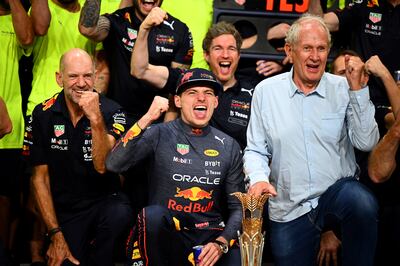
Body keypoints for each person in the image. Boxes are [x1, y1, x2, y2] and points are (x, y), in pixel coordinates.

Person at [243, 14, 379, 266]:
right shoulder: (266, 91)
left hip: (335, 197)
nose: (315, 57)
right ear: (289, 50)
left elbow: (366, 143)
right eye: (307, 48)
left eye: (321, 48)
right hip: (288, 208)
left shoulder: (344, 87)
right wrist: (259, 179)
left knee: (361, 201)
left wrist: (358, 91)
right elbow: (255, 150)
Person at [106, 68, 244, 266]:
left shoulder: (229, 145)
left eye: (208, 93)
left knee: (239, 258)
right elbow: (113, 164)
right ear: (177, 101)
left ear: (215, 102)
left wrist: (221, 243)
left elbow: (237, 207)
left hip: (208, 237)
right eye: (192, 93)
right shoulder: (159, 133)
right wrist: (147, 118)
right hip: (167, 235)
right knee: (151, 216)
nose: (201, 99)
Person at [30, 48, 133, 265]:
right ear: (59, 79)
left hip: (104, 202)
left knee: (120, 213)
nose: (81, 83)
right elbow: (40, 179)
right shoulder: (42, 114)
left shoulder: (114, 112)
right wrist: (55, 234)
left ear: (95, 77)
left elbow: (103, 166)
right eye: (73, 76)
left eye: (87, 76)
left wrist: (95, 118)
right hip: (66, 211)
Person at [132, 18, 256, 151]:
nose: (225, 55)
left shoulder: (255, 93)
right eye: (218, 48)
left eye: (231, 49)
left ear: (238, 55)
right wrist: (144, 28)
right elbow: (140, 70)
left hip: (234, 168)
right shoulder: (187, 80)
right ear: (206, 55)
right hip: (187, 165)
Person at [79, 0, 193, 120]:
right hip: (116, 118)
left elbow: (176, 87)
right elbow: (87, 29)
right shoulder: (117, 21)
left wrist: (167, 129)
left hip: (156, 121)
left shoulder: (179, 30)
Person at [308, 0, 400, 134]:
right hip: (362, 96)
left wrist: (385, 74)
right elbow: (318, 24)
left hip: (395, 95)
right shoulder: (366, 4)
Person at [0, 0, 33, 263]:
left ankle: (7, 255)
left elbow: (27, 38)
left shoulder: (15, 18)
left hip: (10, 125)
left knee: (10, 197)